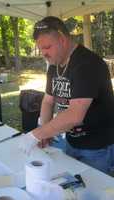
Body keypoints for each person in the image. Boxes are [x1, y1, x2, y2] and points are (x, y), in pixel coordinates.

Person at [19, 16, 114, 175]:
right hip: (71, 140)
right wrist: (44, 130)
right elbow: (48, 101)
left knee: (93, 191)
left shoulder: (87, 64)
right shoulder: (54, 66)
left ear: (62, 39)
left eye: (47, 47)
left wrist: (35, 135)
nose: (44, 54)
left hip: (97, 146)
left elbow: (75, 115)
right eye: (41, 48)